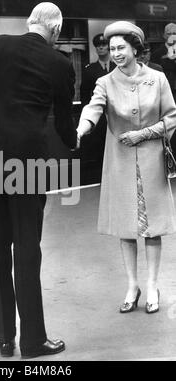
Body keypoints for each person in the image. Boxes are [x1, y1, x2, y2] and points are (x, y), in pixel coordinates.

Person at [0, 2, 76, 358]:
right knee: (26, 249)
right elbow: (64, 122)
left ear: (29, 23)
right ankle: (34, 341)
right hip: (28, 167)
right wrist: (72, 142)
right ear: (55, 30)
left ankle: (3, 338)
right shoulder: (59, 63)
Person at [77, 21, 176, 315]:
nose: (116, 53)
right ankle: (132, 285)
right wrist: (81, 130)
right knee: (126, 227)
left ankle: (152, 284)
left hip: (151, 159)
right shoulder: (105, 82)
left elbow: (171, 117)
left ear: (135, 48)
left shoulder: (157, 79)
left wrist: (143, 135)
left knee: (153, 228)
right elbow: (93, 107)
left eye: (122, 48)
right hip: (119, 162)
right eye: (112, 49)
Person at [80, 33, 115, 182]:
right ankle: (103, 177)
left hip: (116, 114)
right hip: (100, 116)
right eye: (98, 46)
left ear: (108, 47)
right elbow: (84, 94)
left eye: (103, 45)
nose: (100, 48)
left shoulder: (117, 67)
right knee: (100, 145)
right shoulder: (90, 69)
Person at [151, 23, 176, 99]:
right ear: (164, 35)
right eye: (169, 34)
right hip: (165, 93)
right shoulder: (156, 53)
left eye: (174, 33)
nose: (172, 36)